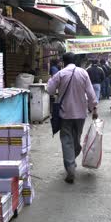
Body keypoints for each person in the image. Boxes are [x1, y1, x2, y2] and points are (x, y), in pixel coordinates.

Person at [47, 52, 98, 184]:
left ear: (63, 62)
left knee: (66, 140)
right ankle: (73, 156)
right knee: (76, 138)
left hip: (65, 113)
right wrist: (94, 108)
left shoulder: (60, 73)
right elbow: (91, 93)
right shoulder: (83, 73)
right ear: (76, 61)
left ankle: (70, 168)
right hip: (81, 113)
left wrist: (51, 80)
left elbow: (50, 90)